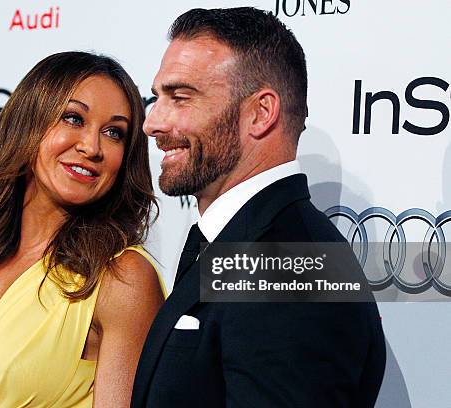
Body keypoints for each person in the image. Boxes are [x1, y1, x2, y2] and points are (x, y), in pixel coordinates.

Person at [132, 7, 386, 408]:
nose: (152, 123)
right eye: (157, 97)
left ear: (261, 113)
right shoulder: (248, 243)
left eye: (180, 98)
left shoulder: (289, 268)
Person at [0, 51, 166, 407]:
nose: (91, 147)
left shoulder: (122, 278)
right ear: (28, 124)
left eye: (114, 133)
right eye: (73, 118)